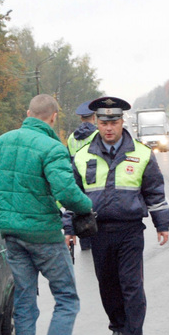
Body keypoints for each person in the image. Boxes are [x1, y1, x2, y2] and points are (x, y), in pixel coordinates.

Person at [0, 94, 91, 335]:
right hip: (44, 235)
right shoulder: (52, 147)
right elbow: (66, 192)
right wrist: (86, 207)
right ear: (54, 117)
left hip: (12, 235)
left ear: (28, 112)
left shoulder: (1, 142)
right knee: (67, 298)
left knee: (25, 303)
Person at [64, 96, 169, 335]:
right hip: (98, 231)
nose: (109, 128)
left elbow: (154, 191)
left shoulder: (142, 153)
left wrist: (162, 223)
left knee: (131, 284)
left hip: (130, 230)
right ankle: (118, 326)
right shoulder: (82, 156)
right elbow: (72, 195)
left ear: (122, 122)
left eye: (113, 122)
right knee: (107, 283)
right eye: (104, 122)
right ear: (97, 123)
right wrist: (69, 228)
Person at [66, 100, 98, 251]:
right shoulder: (98, 135)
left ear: (80, 118)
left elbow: (69, 160)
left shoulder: (72, 138)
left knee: (80, 207)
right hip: (95, 177)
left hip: (78, 177)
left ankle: (85, 241)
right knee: (95, 208)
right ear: (94, 117)